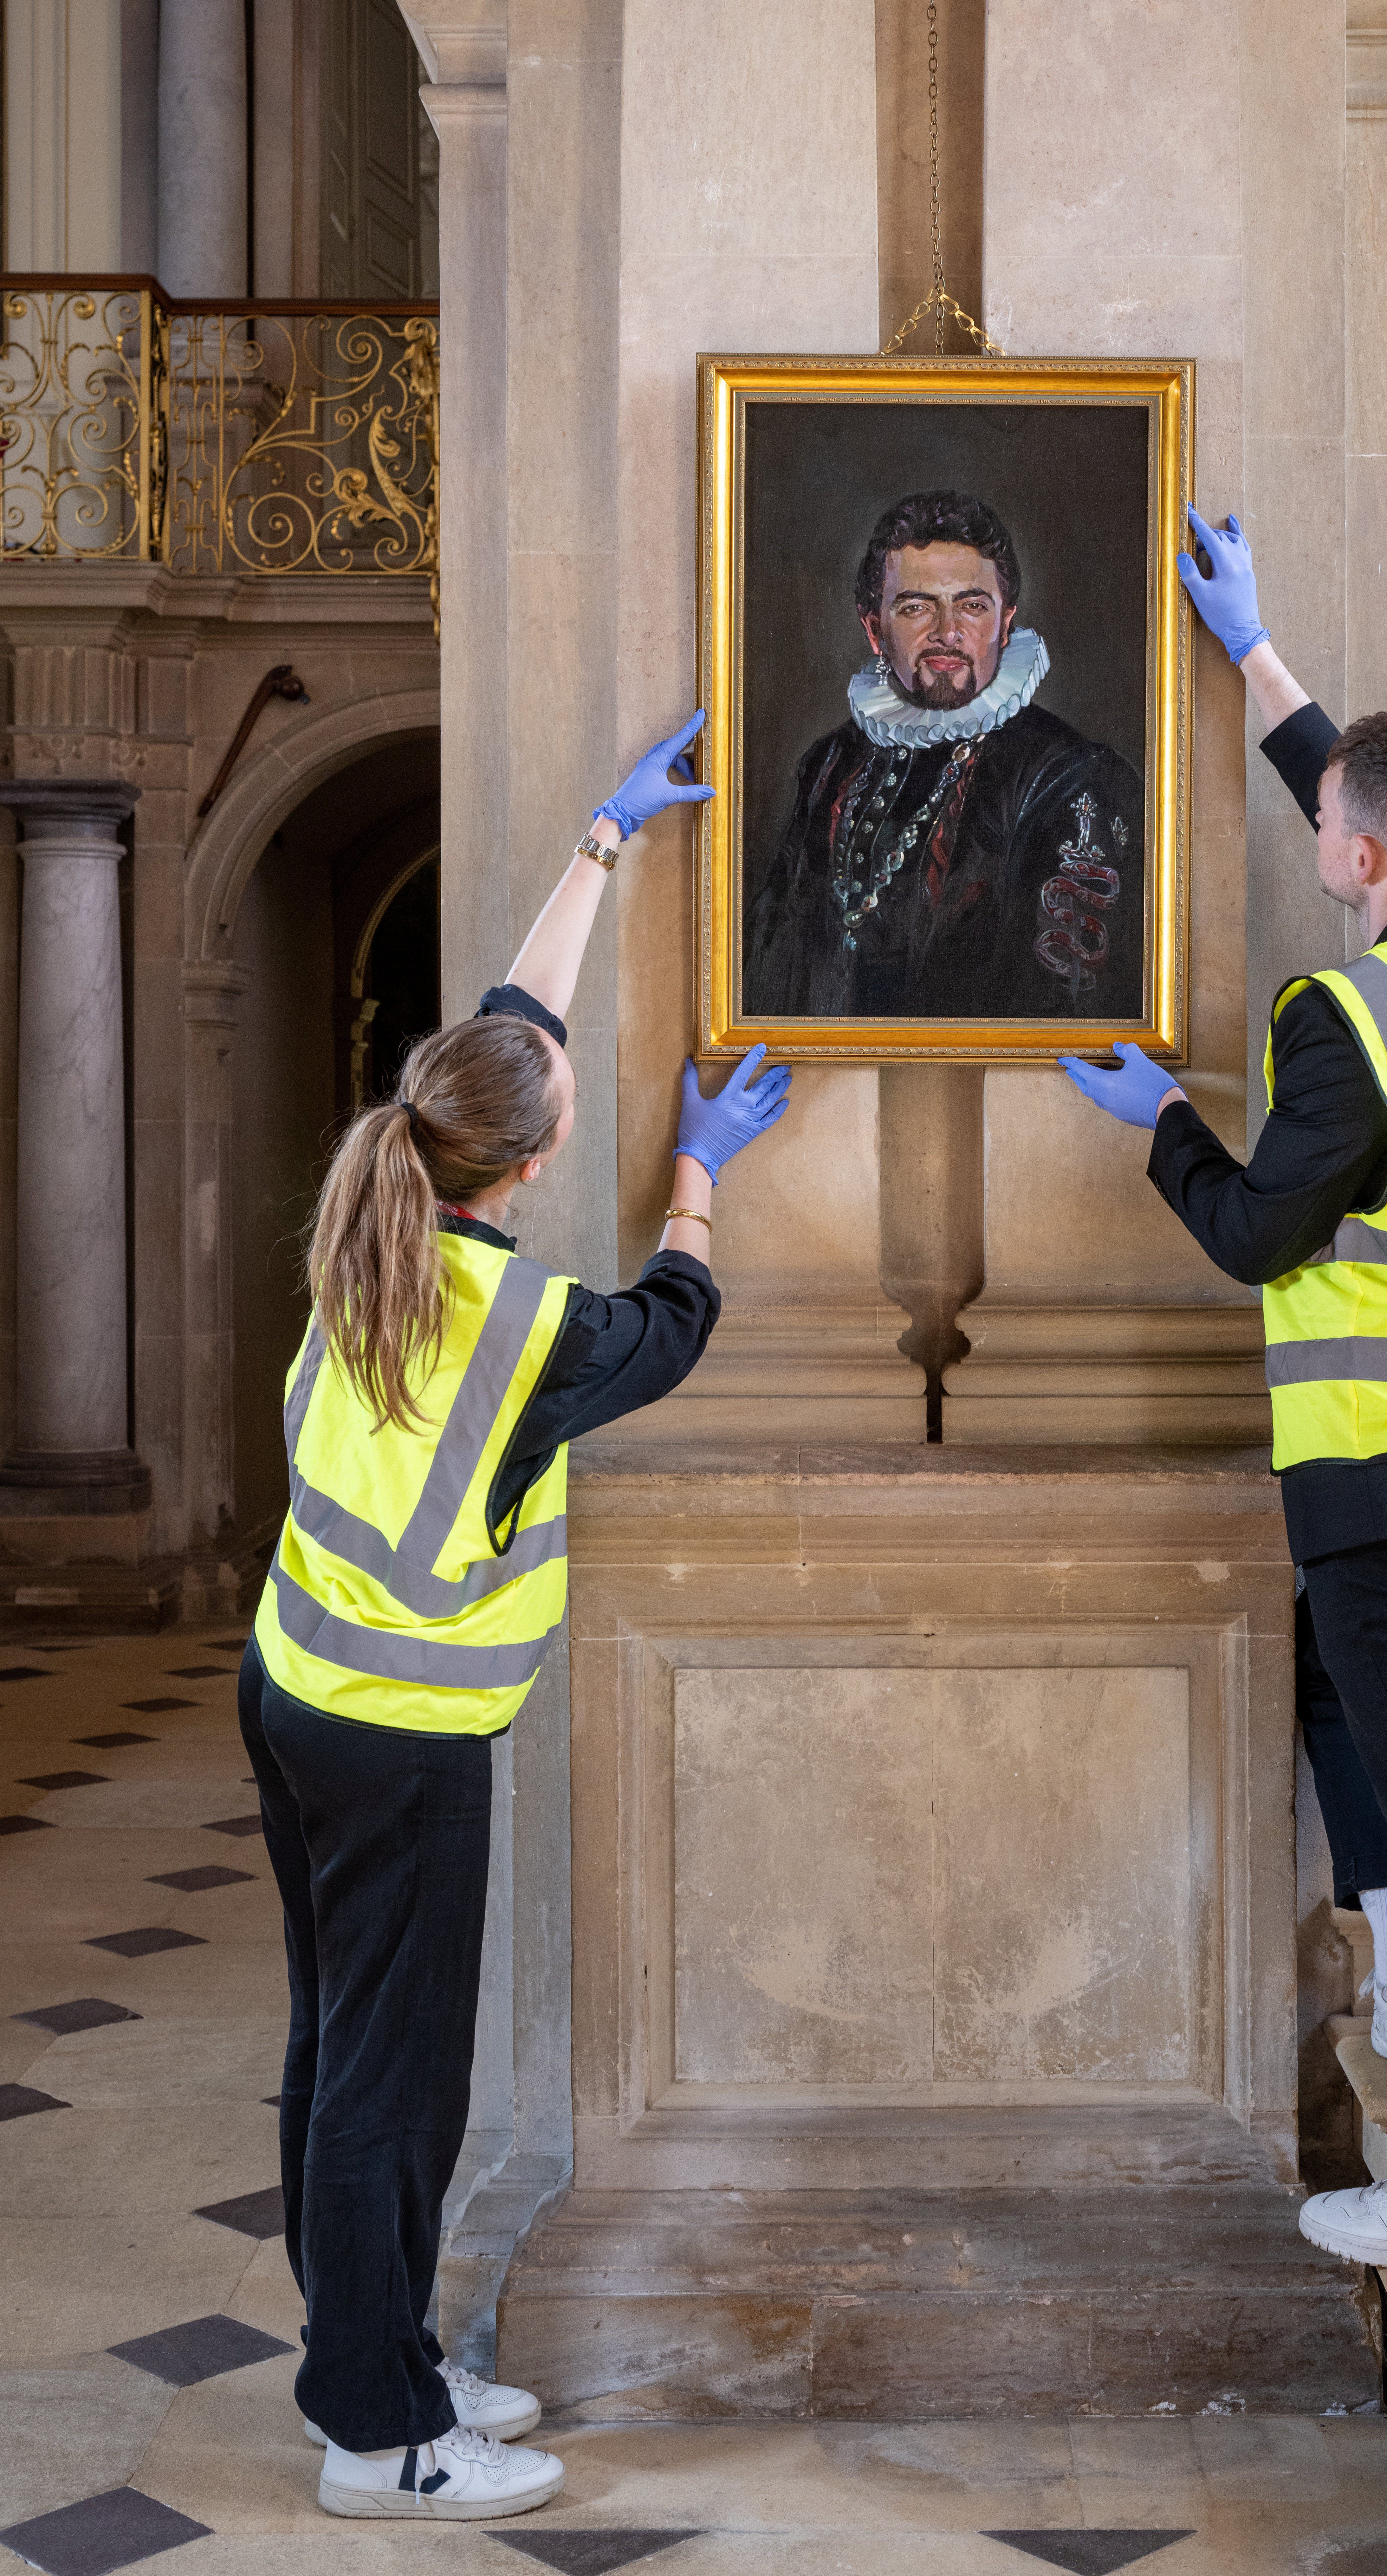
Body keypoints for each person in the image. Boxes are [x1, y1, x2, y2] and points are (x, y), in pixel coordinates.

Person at [239, 715, 791, 2522]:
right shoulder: (522, 1328)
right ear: (534, 1163)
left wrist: (603, 845)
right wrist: (706, 1166)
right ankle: (377, 2434)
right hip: (395, 1733)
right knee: (391, 2084)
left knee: (345, 2052)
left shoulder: (371, 1206)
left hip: (301, 1688)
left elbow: (505, 1027)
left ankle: (376, 2351)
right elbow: (680, 1322)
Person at [1062, 510, 1387, 2284]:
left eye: (1325, 828)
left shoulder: (1341, 1027)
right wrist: (1263, 660)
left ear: (1358, 862)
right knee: (1326, 1693)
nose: (1317, 840)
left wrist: (1149, 1118)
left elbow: (1249, 1237)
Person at [742, 488, 1144, 1021]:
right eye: (915, 607)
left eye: (973, 605)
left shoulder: (1073, 778)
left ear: (1005, 623)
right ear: (874, 629)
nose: (947, 632)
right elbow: (768, 968)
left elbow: (1063, 1006)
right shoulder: (828, 765)